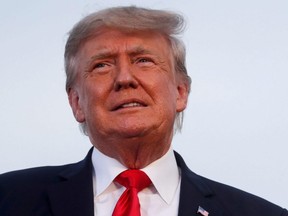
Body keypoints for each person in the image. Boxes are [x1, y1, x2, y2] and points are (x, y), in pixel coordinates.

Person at [0, 6, 287, 216]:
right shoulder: (8, 199)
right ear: (76, 103)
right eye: (102, 65)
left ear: (180, 92)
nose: (125, 78)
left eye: (144, 61)